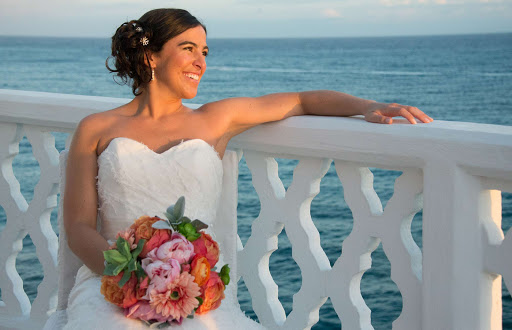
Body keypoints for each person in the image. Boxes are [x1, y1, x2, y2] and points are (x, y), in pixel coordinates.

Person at [60, 8, 433, 329]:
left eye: (204, 52)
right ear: (150, 56)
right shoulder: (96, 129)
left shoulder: (215, 119)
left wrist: (369, 105)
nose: (200, 62)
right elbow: (78, 226)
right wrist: (132, 279)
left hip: (191, 290)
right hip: (110, 282)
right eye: (187, 49)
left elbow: (301, 101)